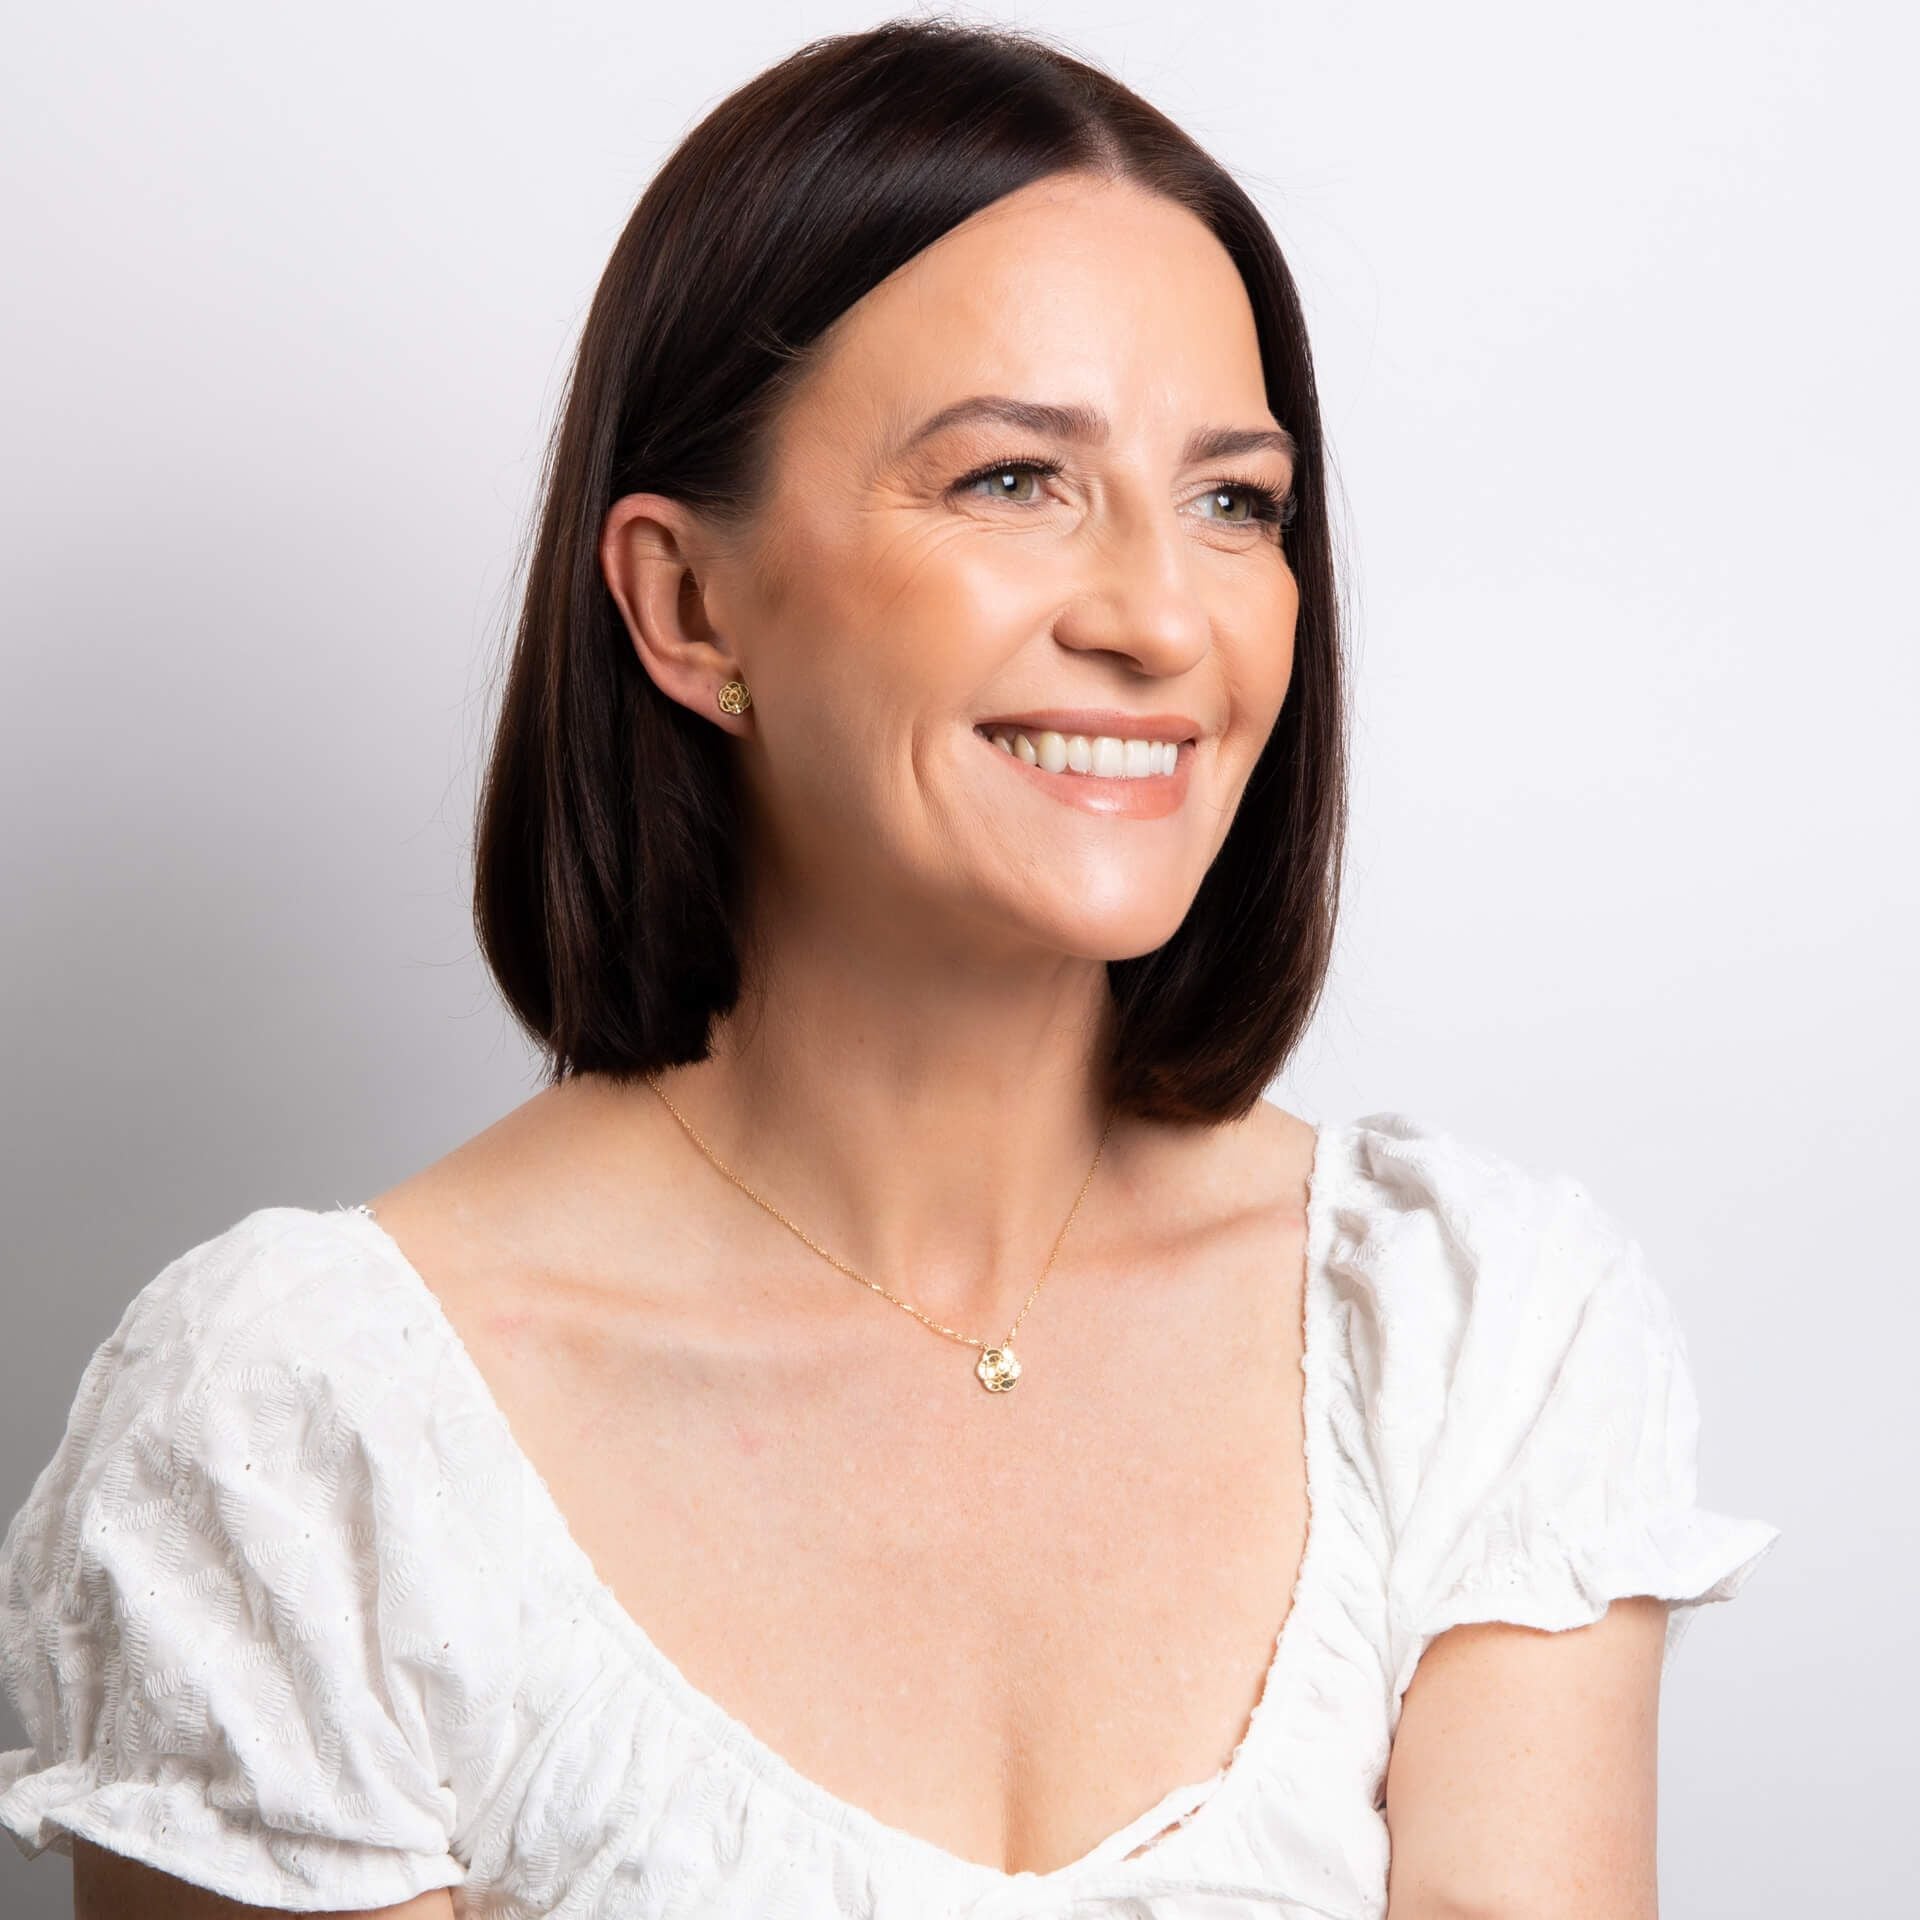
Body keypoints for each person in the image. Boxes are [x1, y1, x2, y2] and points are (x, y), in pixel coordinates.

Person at [0, 18, 1781, 1919]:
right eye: (1015, 480)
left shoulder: (1464, 1332)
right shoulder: (302, 1437)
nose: (1163, 617)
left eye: (1235, 501)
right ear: (689, 604)